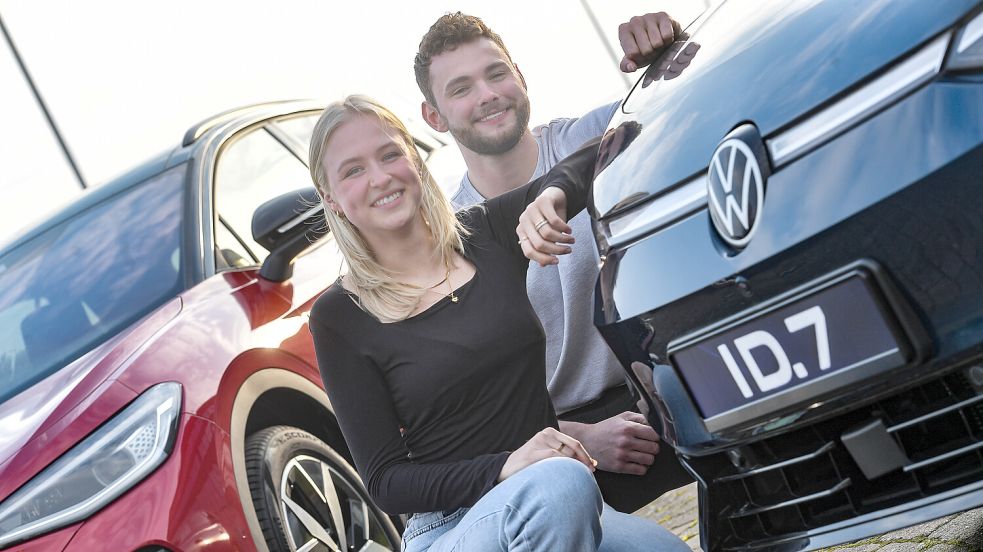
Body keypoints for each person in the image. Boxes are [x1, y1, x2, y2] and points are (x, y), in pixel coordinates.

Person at [307, 95, 688, 551]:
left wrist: (552, 194)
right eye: (353, 170)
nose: (380, 177)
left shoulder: (486, 232)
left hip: (553, 495)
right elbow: (387, 481)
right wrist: (505, 466)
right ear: (331, 198)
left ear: (414, 159)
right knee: (560, 487)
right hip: (453, 527)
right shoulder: (339, 314)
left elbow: (613, 146)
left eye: (390, 154)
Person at [413, 12, 692, 512]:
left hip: (668, 379)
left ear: (519, 76)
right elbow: (469, 407)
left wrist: (667, 48)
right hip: (560, 436)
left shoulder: (594, 135)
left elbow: (691, 93)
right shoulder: (450, 240)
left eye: (496, 73)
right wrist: (577, 438)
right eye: (460, 88)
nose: (487, 94)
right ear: (434, 117)